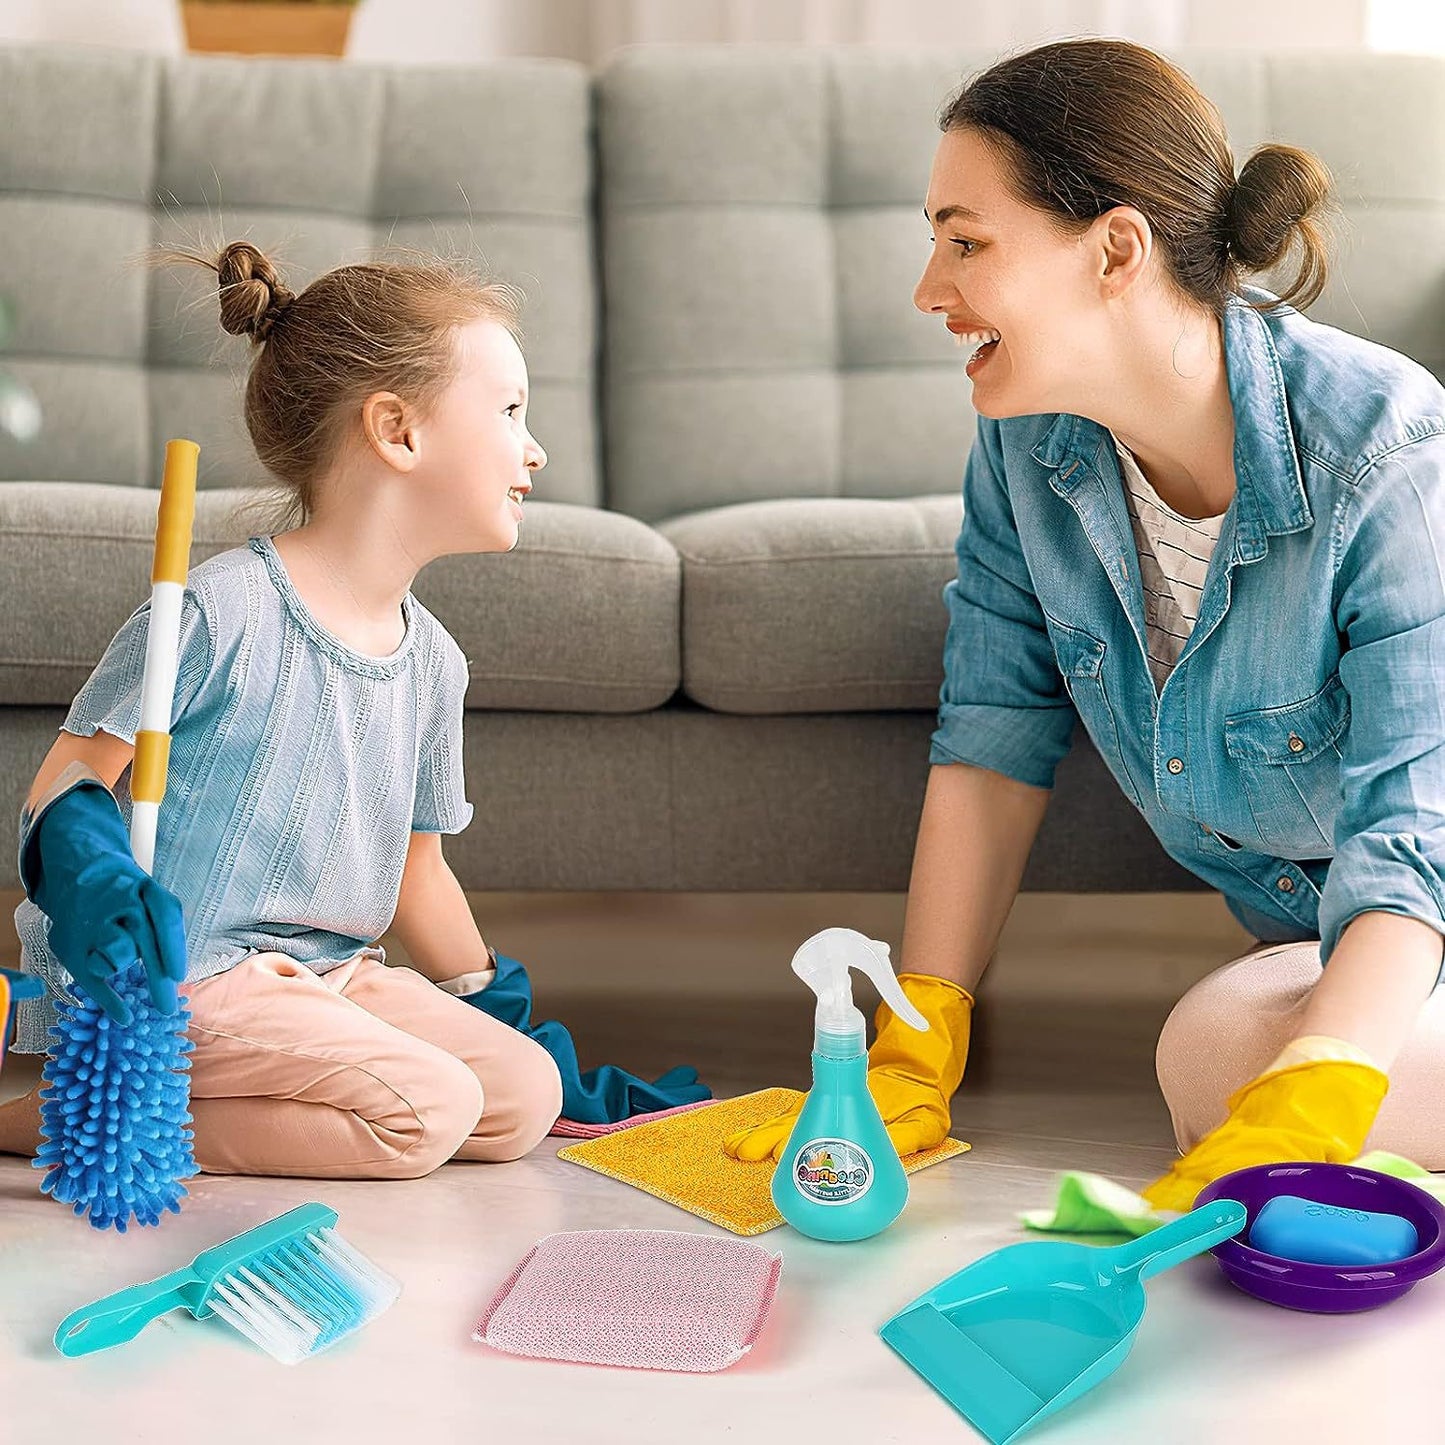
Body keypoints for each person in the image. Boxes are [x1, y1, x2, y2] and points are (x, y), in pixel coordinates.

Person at [728, 38, 1445, 1205]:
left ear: (1114, 248)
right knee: (1210, 1058)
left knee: (1277, 1071)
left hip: (1418, 896)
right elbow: (990, 734)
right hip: (1336, 938)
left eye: (965, 241)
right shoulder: (1025, 446)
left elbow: (1414, 838)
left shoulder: (1382, 449)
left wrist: (1318, 1078)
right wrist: (918, 1039)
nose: (927, 288)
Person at [0, 242, 567, 1177]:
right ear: (397, 429)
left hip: (328, 974)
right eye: (509, 411)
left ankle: (206, 1096)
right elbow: (63, 786)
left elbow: (417, 871)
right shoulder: (218, 611)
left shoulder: (433, 663)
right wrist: (94, 881)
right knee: (431, 1112)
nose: (533, 446)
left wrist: (488, 998)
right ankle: (50, 1119)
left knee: (519, 1097)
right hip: (186, 975)